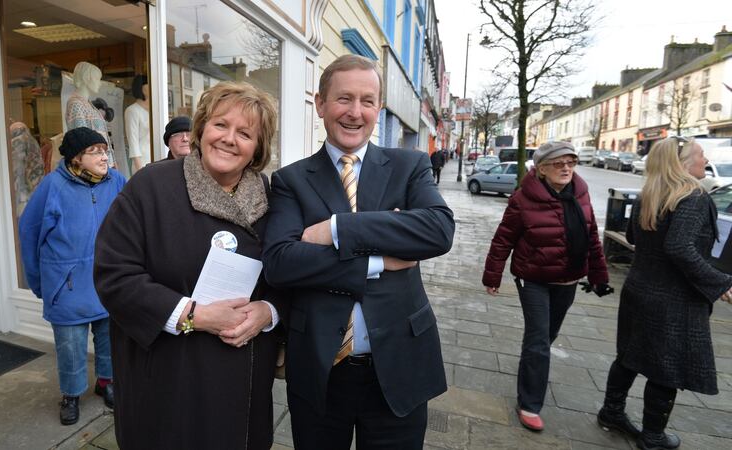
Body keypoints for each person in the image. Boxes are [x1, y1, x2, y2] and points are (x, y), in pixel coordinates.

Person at [262, 54, 455, 450]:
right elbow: (281, 263)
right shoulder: (290, 180)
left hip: (400, 365)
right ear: (320, 104)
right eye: (343, 99)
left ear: (378, 108)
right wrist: (379, 258)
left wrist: (338, 228)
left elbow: (438, 230)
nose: (355, 112)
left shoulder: (410, 166)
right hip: (321, 369)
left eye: (367, 101)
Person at [94, 81, 284, 449]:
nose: (229, 139)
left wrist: (269, 311)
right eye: (220, 125)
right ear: (200, 129)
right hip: (168, 381)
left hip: (243, 383)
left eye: (245, 133)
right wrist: (193, 315)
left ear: (258, 147)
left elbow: (289, 274)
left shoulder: (271, 197)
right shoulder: (151, 186)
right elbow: (113, 274)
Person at [597, 137, 732, 450]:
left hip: (639, 290)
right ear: (682, 163)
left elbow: (633, 237)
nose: (704, 159)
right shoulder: (693, 196)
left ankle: (611, 412)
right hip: (674, 299)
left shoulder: (649, 195)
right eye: (700, 154)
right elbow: (679, 247)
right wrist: (720, 282)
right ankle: (653, 436)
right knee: (667, 369)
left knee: (629, 357)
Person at [482, 141, 610, 432]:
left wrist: (599, 276)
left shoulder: (581, 193)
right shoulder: (522, 199)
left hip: (569, 278)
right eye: (558, 163)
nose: (566, 168)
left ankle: (531, 367)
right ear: (540, 169)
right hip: (533, 278)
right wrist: (493, 276)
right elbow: (503, 239)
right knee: (539, 339)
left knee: (548, 335)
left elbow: (591, 238)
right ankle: (529, 403)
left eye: (570, 162)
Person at [19, 127, 126, 426]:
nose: (104, 156)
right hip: (65, 283)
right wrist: (39, 283)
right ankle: (71, 394)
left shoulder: (116, 181)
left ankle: (107, 382)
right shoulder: (52, 186)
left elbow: (135, 220)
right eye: (95, 151)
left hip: (107, 278)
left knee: (109, 337)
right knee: (70, 346)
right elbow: (29, 232)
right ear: (76, 158)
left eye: (105, 150)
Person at [65, 61, 116, 168]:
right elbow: (81, 143)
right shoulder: (76, 105)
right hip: (94, 168)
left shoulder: (89, 104)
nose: (100, 83)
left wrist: (112, 162)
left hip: (103, 164)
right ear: (86, 79)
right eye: (97, 79)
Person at [125, 74, 151, 174]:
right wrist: (140, 168)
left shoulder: (155, 111)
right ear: (142, 88)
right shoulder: (132, 111)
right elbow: (133, 141)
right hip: (142, 161)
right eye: (148, 84)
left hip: (157, 156)